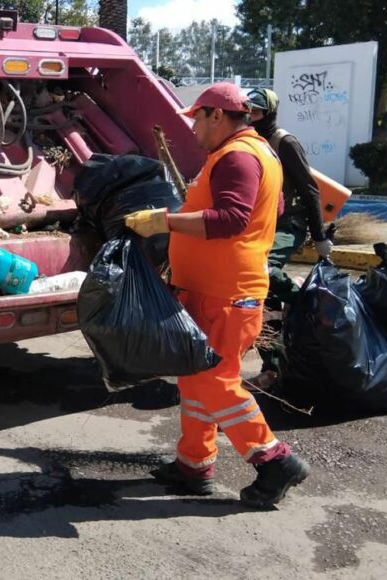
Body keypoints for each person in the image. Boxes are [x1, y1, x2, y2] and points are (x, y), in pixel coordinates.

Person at [123, 83, 310, 508]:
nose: (192, 128)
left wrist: (165, 222)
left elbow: (231, 219)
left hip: (225, 293)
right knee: (194, 376)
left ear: (217, 116)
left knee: (214, 381)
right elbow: (273, 208)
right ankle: (193, 465)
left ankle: (274, 460)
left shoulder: (238, 156)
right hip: (217, 287)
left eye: (197, 118)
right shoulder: (259, 152)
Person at [247, 88, 332, 385]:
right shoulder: (248, 142)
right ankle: (271, 367)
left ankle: (305, 299)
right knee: (259, 293)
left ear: (269, 113)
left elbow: (309, 190)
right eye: (248, 111)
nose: (251, 117)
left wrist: (320, 236)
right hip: (261, 224)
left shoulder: (285, 143)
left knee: (263, 270)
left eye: (256, 112)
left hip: (288, 225)